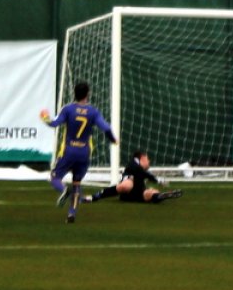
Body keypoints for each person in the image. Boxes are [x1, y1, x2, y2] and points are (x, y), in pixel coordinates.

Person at [41, 80, 117, 223]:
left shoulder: (68, 109)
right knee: (77, 183)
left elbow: (53, 123)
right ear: (88, 93)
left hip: (69, 151)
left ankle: (64, 190)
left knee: (54, 177)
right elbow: (106, 128)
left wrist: (44, 117)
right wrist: (113, 140)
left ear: (74, 93)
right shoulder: (93, 112)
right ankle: (71, 214)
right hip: (84, 152)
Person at [83, 151, 183, 204]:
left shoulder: (141, 170)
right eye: (147, 159)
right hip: (126, 193)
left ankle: (160, 196)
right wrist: (157, 179)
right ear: (142, 158)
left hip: (137, 194)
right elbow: (141, 171)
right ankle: (95, 196)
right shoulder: (133, 164)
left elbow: (143, 173)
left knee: (150, 193)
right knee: (127, 185)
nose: (149, 161)